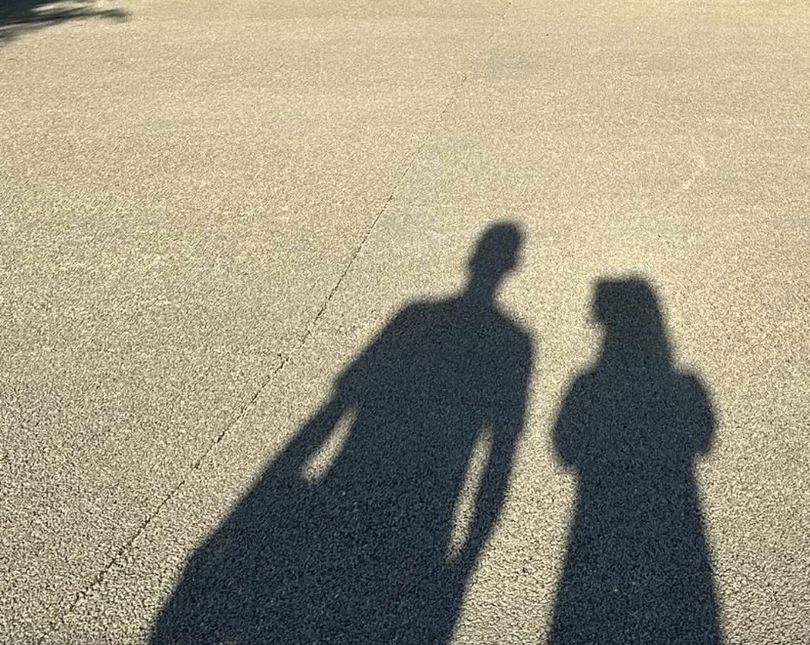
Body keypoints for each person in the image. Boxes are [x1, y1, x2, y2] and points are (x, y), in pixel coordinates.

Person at [153, 224, 533, 645]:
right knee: (382, 618)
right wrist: (470, 554)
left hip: (350, 478)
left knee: (317, 608)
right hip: (433, 506)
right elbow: (501, 450)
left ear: (472, 259)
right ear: (512, 266)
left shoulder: (416, 318)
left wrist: (281, 475)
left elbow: (341, 403)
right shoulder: (515, 342)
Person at [551, 277, 722, 645]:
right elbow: (705, 440)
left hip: (599, 515)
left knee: (593, 615)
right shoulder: (685, 386)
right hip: (675, 515)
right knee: (678, 610)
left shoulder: (587, 386)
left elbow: (564, 449)